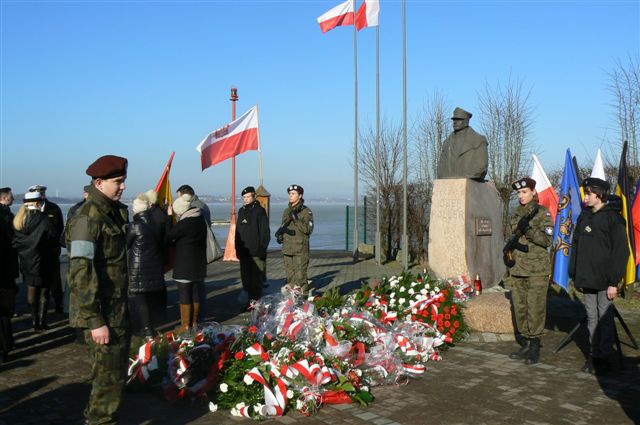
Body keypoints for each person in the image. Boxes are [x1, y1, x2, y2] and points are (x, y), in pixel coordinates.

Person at [65, 154, 130, 425]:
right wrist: (95, 321)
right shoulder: (87, 217)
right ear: (99, 182)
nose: (123, 186)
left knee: (113, 375)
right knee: (107, 378)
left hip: (116, 308)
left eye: (124, 181)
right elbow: (81, 273)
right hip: (102, 312)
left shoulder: (112, 212)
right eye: (118, 182)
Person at [569, 177, 629, 375]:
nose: (586, 196)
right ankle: (594, 356)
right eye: (586, 193)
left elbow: (621, 252)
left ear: (599, 195)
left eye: (589, 193)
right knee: (592, 318)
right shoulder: (584, 216)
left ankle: (604, 357)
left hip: (605, 281)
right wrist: (574, 273)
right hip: (587, 278)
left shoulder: (614, 218)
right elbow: (576, 245)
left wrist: (614, 282)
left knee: (604, 318)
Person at [504, 177, 554, 365]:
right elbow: (513, 238)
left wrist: (529, 229)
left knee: (535, 308)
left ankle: (534, 346)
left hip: (536, 270)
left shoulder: (542, 213)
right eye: (519, 193)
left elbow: (547, 240)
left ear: (533, 192)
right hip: (517, 268)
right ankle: (525, 342)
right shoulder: (516, 213)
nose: (521, 196)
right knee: (521, 308)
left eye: (524, 192)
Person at [12, 191, 57, 332]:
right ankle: (41, 322)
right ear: (39, 203)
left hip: (27, 261)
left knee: (31, 291)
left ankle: (33, 321)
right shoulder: (44, 219)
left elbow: (15, 242)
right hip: (44, 260)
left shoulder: (19, 220)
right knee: (44, 292)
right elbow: (52, 237)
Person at [127, 193, 166, 339]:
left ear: (137, 209)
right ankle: (151, 327)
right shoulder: (155, 223)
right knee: (149, 300)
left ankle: (147, 330)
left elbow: (126, 244)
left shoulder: (135, 226)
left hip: (138, 267)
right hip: (154, 265)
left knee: (141, 300)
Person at [167, 194, 207, 333]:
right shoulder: (200, 219)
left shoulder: (185, 223)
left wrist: (169, 218)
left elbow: (169, 235)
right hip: (199, 263)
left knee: (184, 294)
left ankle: (185, 325)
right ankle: (195, 322)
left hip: (185, 264)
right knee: (196, 293)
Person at [28, 184, 65, 313]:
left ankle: (58, 304)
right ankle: (37, 309)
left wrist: (56, 245)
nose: (41, 195)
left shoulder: (54, 208)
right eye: (38, 193)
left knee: (55, 279)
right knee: (36, 281)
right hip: (34, 253)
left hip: (51, 250)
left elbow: (60, 227)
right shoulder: (27, 210)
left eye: (42, 192)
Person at [235, 186, 270, 308]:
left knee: (256, 281)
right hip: (244, 252)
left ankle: (257, 305)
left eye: (248, 197)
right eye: (244, 197)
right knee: (246, 280)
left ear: (254, 196)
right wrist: (237, 248)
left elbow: (265, 232)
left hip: (256, 252)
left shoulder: (259, 211)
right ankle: (249, 303)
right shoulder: (241, 211)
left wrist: (262, 249)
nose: (246, 199)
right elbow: (237, 232)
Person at [277, 184, 314, 295]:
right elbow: (283, 226)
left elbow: (308, 229)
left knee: (301, 276)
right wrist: (280, 236)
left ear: (300, 195)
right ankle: (290, 300)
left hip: (300, 248)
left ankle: (303, 298)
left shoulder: (306, 211)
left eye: (293, 194)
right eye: (289, 194)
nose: (290, 196)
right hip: (287, 248)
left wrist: (296, 219)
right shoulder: (286, 211)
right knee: (290, 275)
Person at [436, 107, 489, 180]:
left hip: (470, 186)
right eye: (454, 120)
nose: (455, 122)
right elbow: (441, 168)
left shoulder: (479, 141)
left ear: (466, 121)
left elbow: (481, 167)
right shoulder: (446, 143)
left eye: (459, 120)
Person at [0, 187, 19, 362]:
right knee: (4, 312)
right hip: (5, 271)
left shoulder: (7, 216)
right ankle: (6, 346)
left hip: (6, 270)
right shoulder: (6, 217)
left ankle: (6, 345)